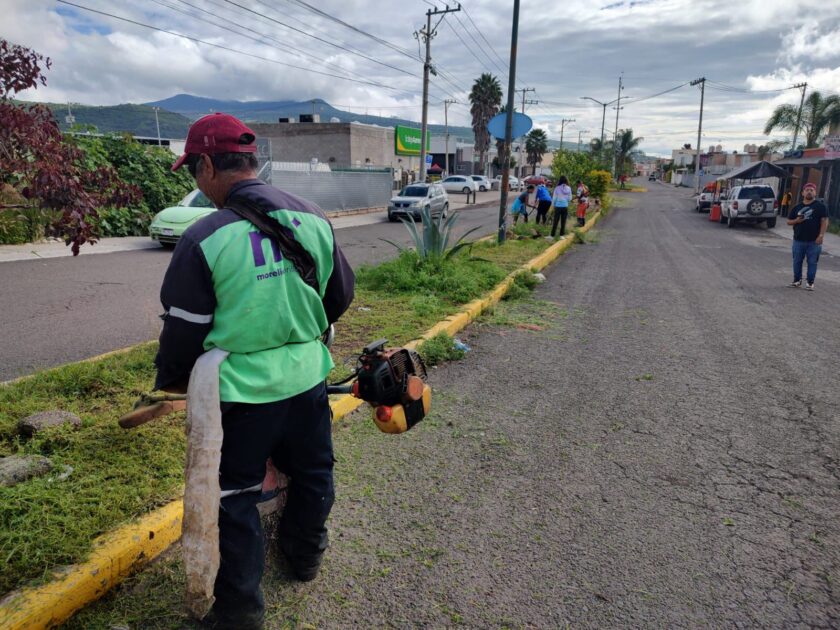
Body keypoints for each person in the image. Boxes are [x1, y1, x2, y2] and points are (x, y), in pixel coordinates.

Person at [158, 113, 355, 629]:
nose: (196, 183)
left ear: (206, 165)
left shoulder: (205, 237)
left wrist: (174, 383)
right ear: (250, 161)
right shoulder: (312, 217)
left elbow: (185, 329)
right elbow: (339, 298)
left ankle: (241, 609)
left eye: (193, 171)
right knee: (314, 471)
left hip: (243, 394)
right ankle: (305, 557)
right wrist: (294, 334)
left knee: (235, 495)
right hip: (309, 377)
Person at [786, 182, 828, 290]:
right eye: (807, 190)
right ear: (802, 193)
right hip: (798, 240)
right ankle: (797, 281)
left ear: (815, 193)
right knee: (797, 261)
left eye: (812, 190)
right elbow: (789, 222)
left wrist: (821, 235)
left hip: (814, 241)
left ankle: (810, 282)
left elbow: (824, 221)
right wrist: (796, 221)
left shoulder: (820, 207)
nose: (809, 192)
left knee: (812, 262)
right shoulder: (797, 207)